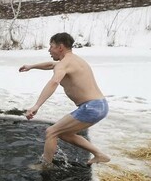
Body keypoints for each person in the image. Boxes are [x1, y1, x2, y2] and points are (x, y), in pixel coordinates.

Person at [19, 32, 110, 167]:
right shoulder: (73, 60)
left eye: (51, 46)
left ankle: (45, 166)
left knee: (51, 132)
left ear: (60, 47)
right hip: (100, 105)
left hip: (91, 107)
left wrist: (37, 105)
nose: (49, 50)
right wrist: (31, 66)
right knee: (65, 134)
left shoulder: (64, 64)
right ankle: (99, 155)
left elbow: (54, 82)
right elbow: (51, 65)